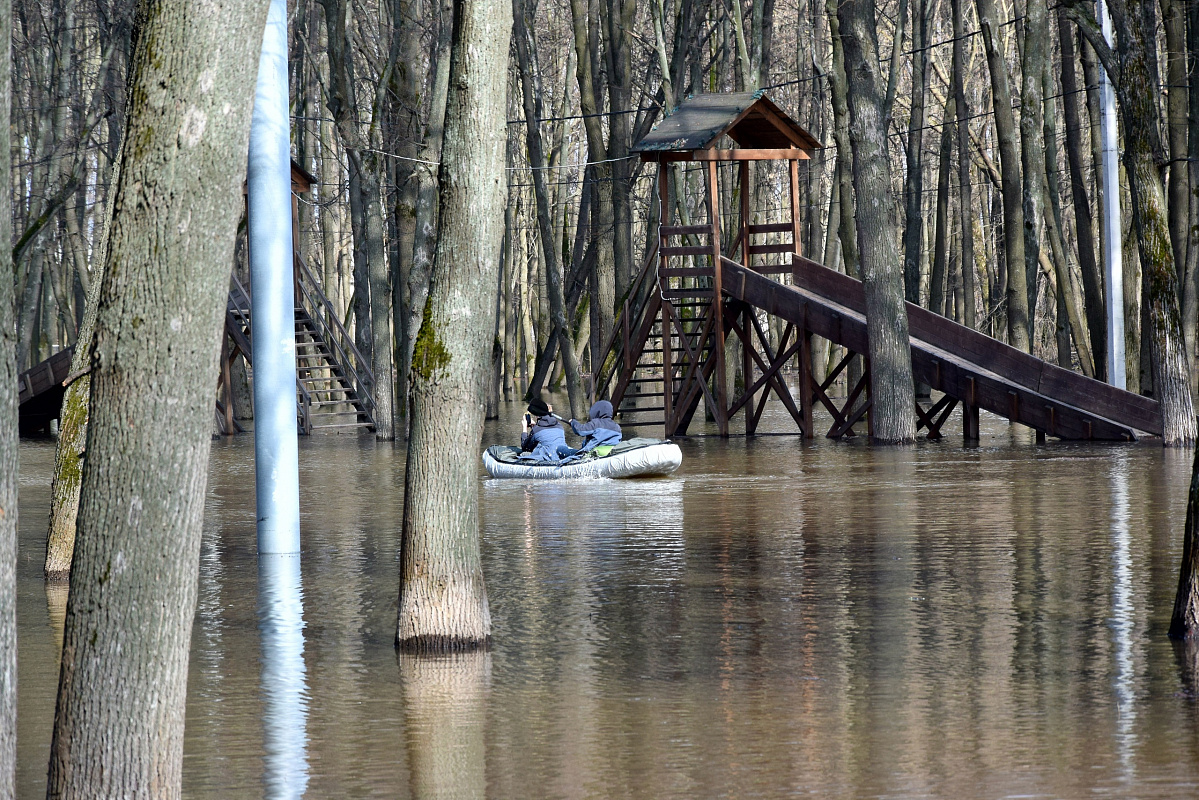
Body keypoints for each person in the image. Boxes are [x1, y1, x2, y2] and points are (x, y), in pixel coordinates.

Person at [520, 397, 567, 463]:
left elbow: (525, 448)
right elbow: (547, 436)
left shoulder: (537, 430)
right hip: (561, 456)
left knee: (523, 454)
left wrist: (524, 429)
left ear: (537, 415)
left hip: (549, 458)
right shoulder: (560, 426)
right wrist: (534, 427)